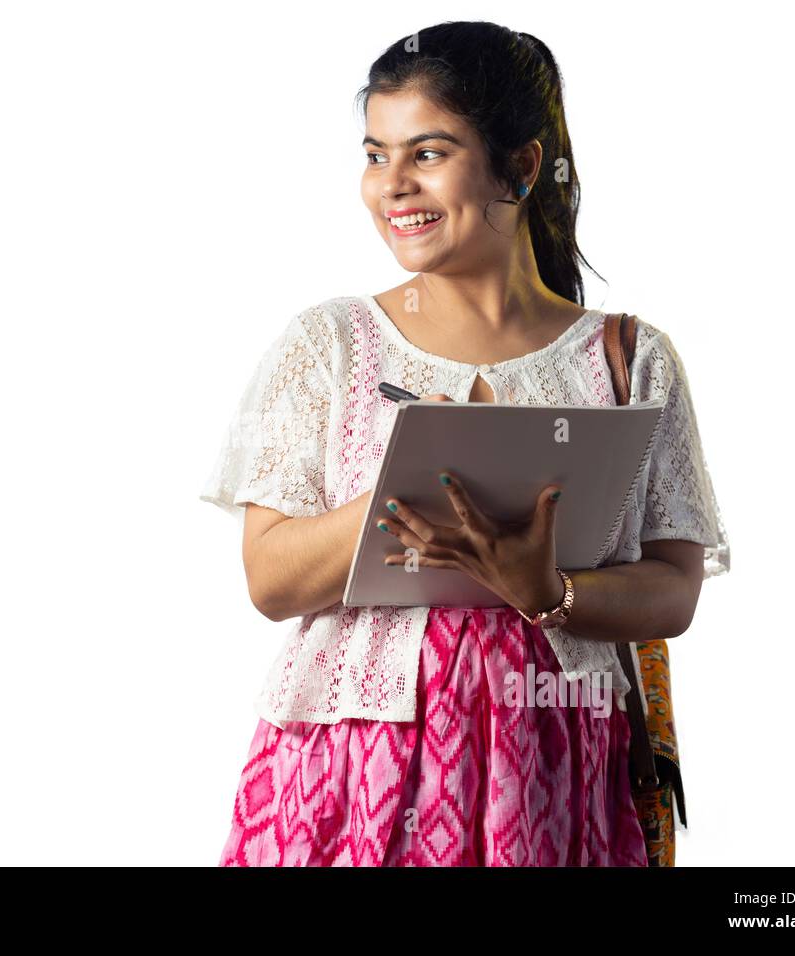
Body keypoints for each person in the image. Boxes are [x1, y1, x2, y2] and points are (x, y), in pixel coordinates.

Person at [199, 21, 730, 866]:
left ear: (521, 165)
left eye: (428, 152)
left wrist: (549, 589)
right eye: (375, 155)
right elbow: (270, 579)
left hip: (555, 762)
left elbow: (673, 588)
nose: (391, 187)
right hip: (357, 771)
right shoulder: (329, 346)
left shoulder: (629, 358)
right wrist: (404, 494)